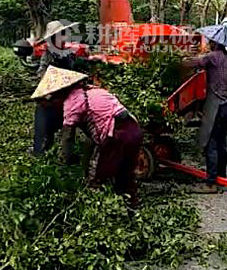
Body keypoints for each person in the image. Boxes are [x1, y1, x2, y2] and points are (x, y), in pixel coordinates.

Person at [31, 66, 143, 206]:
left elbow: (67, 137)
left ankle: (99, 208)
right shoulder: (93, 90)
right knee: (125, 174)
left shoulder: (72, 102)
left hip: (117, 135)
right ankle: (131, 206)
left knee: (98, 177)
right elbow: (91, 140)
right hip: (134, 130)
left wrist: (64, 164)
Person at [184, 25, 227, 193]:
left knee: (211, 143)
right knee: (221, 142)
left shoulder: (214, 57)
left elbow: (194, 63)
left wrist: (177, 60)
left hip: (219, 107)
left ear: (215, 43)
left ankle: (212, 182)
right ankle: (221, 176)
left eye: (210, 42)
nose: (208, 43)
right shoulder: (226, 57)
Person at [31, 20, 78, 155]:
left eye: (63, 35)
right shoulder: (49, 53)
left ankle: (66, 152)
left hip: (66, 93)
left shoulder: (69, 53)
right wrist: (49, 81)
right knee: (43, 119)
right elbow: (41, 71)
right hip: (51, 92)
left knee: (68, 123)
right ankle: (40, 149)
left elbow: (74, 69)